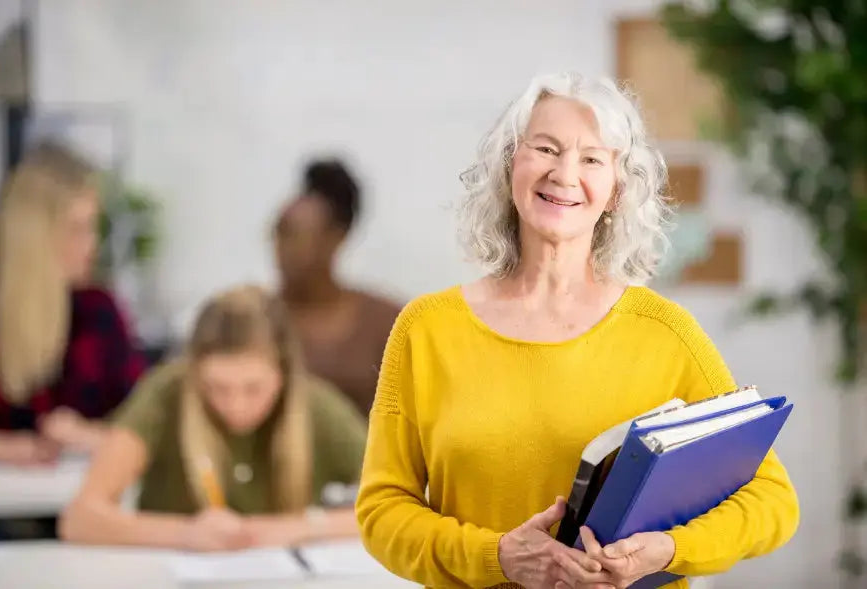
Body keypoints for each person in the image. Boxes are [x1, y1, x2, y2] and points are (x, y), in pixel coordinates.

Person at [355, 72, 799, 589]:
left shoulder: (666, 334)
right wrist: (496, 556)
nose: (564, 174)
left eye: (592, 159)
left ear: (616, 191)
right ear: (510, 165)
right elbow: (382, 511)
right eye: (546, 148)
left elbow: (772, 499)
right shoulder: (426, 329)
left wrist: (670, 550)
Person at [59, 285, 366, 551]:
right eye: (217, 388)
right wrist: (184, 534)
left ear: (283, 374)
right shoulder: (166, 395)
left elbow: (394, 505)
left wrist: (303, 526)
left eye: (253, 388)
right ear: (194, 372)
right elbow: (80, 519)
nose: (236, 405)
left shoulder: (315, 405)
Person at [0, 142, 146, 465]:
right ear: (33, 235)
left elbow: (148, 426)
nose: (91, 244)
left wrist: (90, 435)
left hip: (80, 492)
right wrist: (0, 448)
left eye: (92, 227)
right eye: (76, 229)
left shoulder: (99, 311)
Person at [272, 159, 402, 419]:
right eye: (281, 233)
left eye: (299, 236)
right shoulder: (252, 320)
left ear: (336, 238)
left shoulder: (386, 325)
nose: (284, 250)